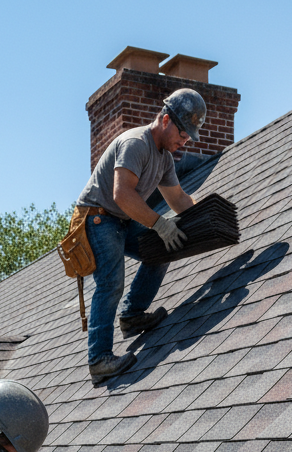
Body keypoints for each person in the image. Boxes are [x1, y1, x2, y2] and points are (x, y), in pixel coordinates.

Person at [76, 88, 206, 385]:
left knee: (161, 249)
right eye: (182, 133)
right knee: (111, 282)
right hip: (98, 217)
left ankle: (132, 315)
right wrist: (160, 225)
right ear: (165, 120)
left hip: (121, 218)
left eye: (188, 137)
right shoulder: (136, 143)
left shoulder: (165, 160)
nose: (183, 141)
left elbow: (179, 201)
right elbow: (122, 194)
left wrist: (208, 210)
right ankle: (99, 360)